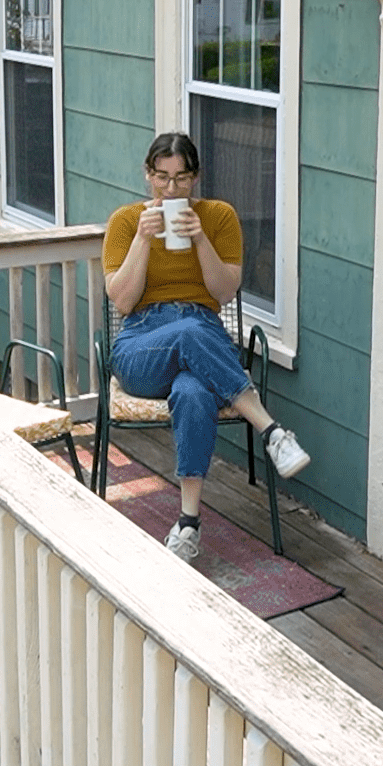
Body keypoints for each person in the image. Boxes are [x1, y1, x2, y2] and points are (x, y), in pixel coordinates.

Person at [103, 132, 309, 562]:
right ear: (148, 175)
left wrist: (199, 240)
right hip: (142, 342)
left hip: (202, 334)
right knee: (187, 334)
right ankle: (271, 431)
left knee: (193, 392)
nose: (170, 189)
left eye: (180, 178)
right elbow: (121, 300)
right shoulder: (126, 222)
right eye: (161, 178)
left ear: (195, 178)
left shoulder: (218, 217)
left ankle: (188, 523)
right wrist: (143, 239)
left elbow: (224, 291)